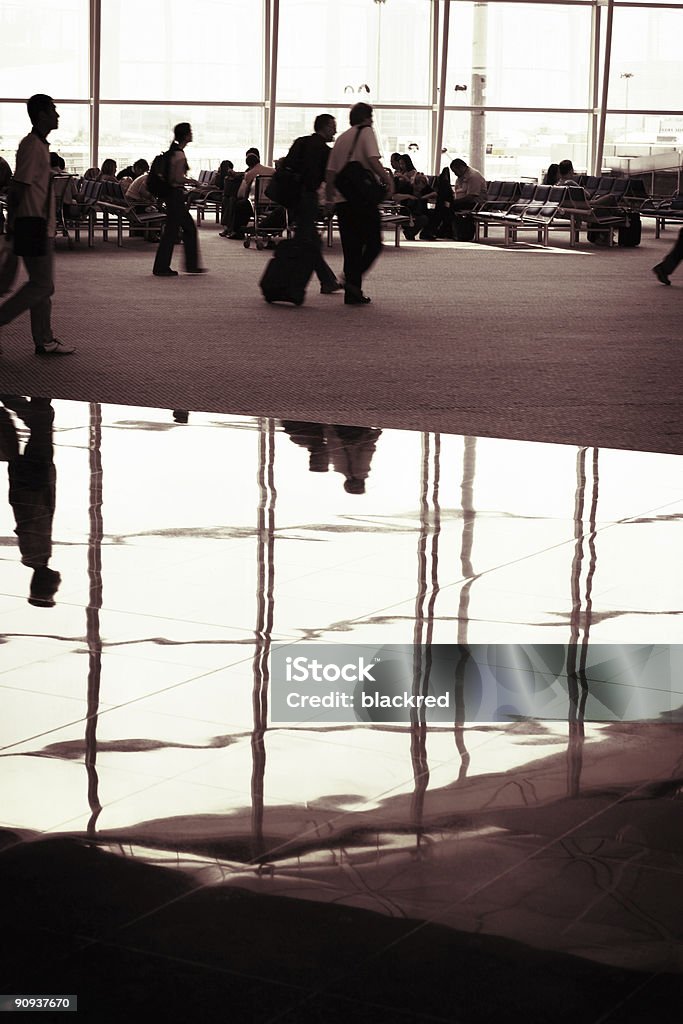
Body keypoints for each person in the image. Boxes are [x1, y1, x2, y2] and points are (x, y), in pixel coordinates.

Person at [0, 94, 74, 356]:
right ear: (41, 114)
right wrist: (14, 226)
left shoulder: (40, 145)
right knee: (43, 286)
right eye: (53, 110)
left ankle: (45, 339)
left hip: (40, 225)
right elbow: (17, 189)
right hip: (33, 225)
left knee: (40, 284)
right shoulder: (32, 146)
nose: (58, 115)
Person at [325, 101, 392, 306]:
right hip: (363, 200)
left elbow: (330, 173)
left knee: (351, 247)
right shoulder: (366, 131)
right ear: (365, 117)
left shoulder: (342, 138)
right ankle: (351, 281)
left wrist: (329, 198)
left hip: (344, 201)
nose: (372, 120)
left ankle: (353, 292)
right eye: (370, 116)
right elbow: (372, 160)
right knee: (373, 244)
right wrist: (388, 180)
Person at [0, 396, 61, 606]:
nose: (58, 584)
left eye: (53, 589)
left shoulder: (37, 554)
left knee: (42, 424)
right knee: (41, 426)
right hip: (31, 484)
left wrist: (37, 485)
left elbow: (32, 518)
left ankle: (15, 396)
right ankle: (28, 399)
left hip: (34, 483)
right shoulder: (35, 556)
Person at [284, 113, 341, 294]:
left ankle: (327, 280)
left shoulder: (301, 142)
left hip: (293, 197)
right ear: (324, 127)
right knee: (308, 242)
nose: (335, 130)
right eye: (332, 126)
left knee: (311, 241)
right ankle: (287, 282)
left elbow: (286, 165)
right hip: (308, 198)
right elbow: (329, 178)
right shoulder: (324, 151)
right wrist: (331, 201)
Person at [152, 122, 206, 277]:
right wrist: (193, 182)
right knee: (177, 231)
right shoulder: (180, 154)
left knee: (181, 229)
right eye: (190, 131)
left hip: (171, 195)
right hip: (175, 195)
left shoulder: (173, 152)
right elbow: (176, 179)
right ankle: (170, 267)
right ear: (186, 135)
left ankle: (182, 265)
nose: (192, 134)